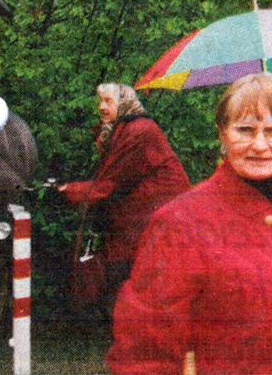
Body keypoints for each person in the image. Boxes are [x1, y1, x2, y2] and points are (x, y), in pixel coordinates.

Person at [107, 73, 272, 375]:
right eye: (245, 129)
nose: (259, 145)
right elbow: (143, 346)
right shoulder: (180, 222)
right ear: (223, 134)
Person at [59, 84, 190, 310]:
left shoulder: (139, 130)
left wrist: (69, 191)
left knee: (135, 271)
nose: (101, 107)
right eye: (99, 101)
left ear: (125, 102)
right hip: (139, 211)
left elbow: (109, 184)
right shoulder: (118, 131)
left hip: (162, 211)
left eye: (108, 101)